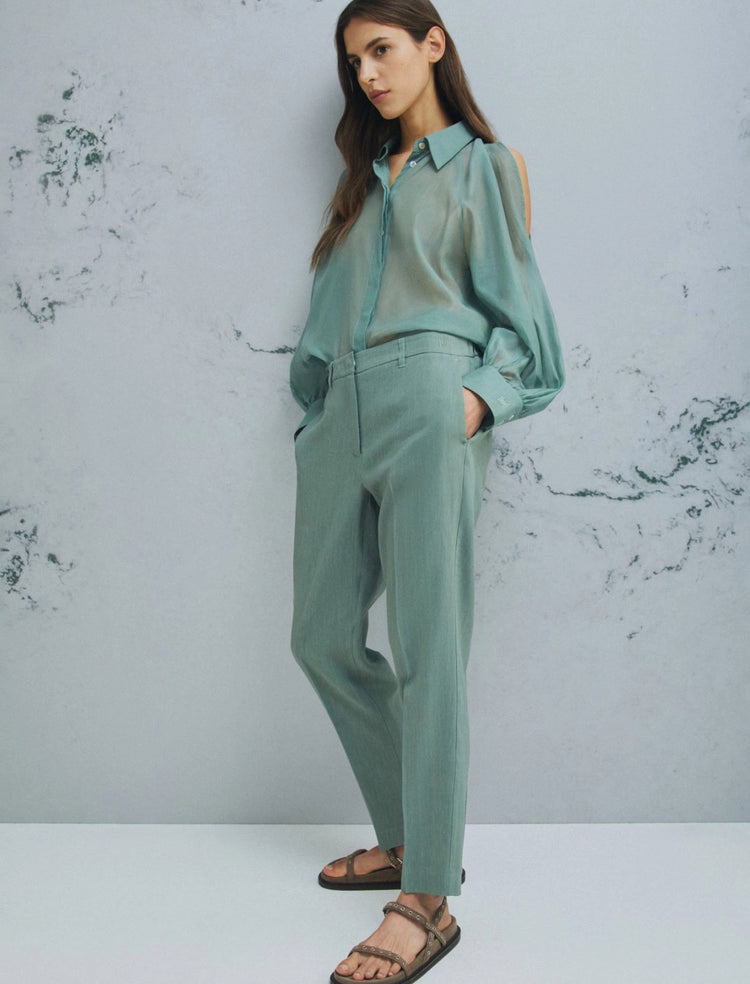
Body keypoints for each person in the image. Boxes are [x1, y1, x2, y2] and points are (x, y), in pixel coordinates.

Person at [289, 2, 564, 980]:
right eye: (354, 60)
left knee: (428, 646)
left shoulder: (488, 169)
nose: (367, 73)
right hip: (340, 415)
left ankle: (429, 896)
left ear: (432, 45)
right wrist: (315, 416)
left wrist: (472, 405)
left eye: (382, 49)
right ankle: (409, 834)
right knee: (320, 636)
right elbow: (326, 320)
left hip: (430, 400)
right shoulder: (358, 188)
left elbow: (529, 333)